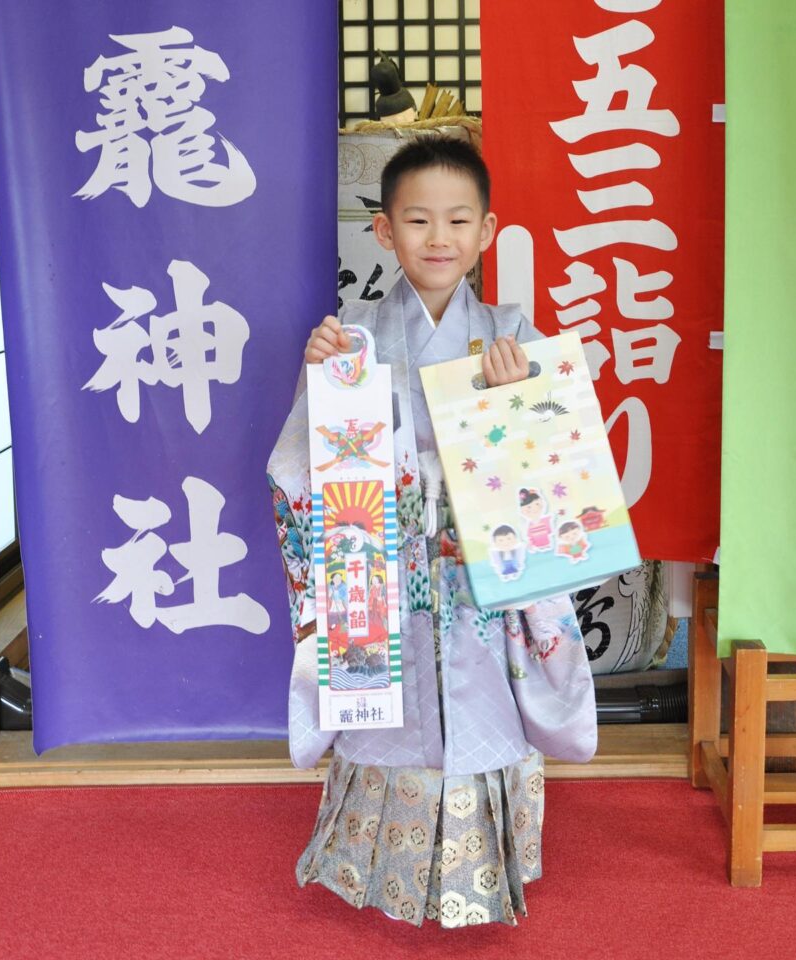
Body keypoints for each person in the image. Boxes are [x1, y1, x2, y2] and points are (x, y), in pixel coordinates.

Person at [267, 136, 597, 928]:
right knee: (391, 708)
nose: (439, 238)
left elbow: (550, 475)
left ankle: (485, 871)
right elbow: (299, 467)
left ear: (487, 231)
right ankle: (386, 876)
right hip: (385, 570)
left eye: (458, 220)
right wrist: (323, 378)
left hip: (483, 573)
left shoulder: (511, 331)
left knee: (483, 707)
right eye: (418, 220)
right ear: (385, 232)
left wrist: (520, 404)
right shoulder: (354, 337)